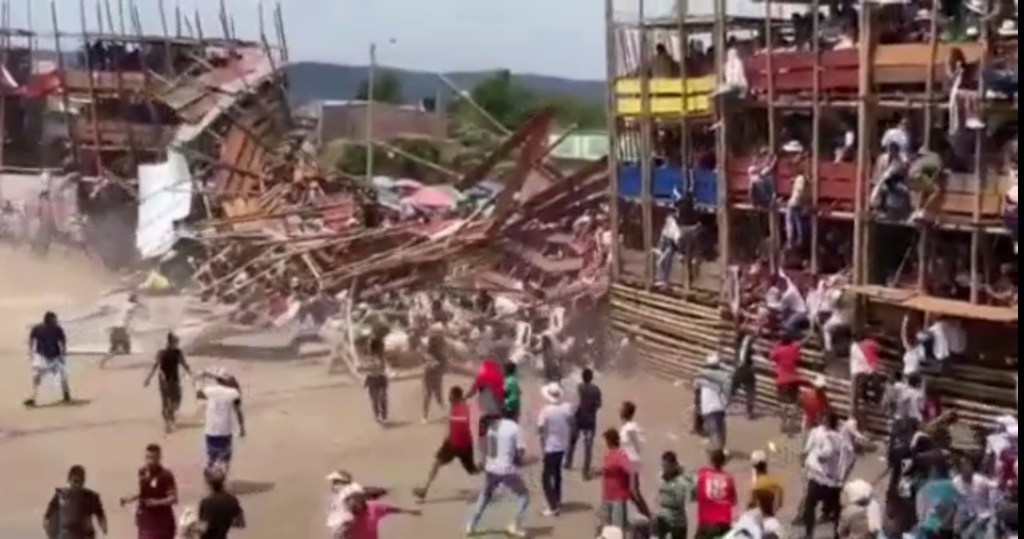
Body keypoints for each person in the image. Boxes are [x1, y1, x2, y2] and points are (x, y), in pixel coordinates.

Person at [465, 409, 529, 537]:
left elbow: (491, 451)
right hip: (507, 470)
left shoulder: (493, 427)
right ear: (515, 415)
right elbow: (520, 451)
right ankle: (514, 525)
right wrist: (518, 461)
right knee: (524, 496)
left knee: (485, 496)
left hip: (492, 468)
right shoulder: (515, 428)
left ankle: (471, 524)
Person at [413, 386, 477, 502]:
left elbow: (463, 423)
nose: (449, 397)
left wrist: (451, 419)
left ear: (457, 397)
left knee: (473, 471)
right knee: (436, 463)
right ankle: (424, 489)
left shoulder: (464, 408)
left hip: (464, 445)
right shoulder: (453, 407)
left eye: (451, 395)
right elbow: (450, 426)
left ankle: (493, 472)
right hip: (451, 443)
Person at [118, 444, 177, 539]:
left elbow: (173, 498)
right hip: (145, 519)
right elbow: (143, 492)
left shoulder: (166, 475)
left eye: (153, 458)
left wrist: (156, 502)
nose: (150, 461)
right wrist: (130, 498)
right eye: (148, 457)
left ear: (159, 458)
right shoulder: (142, 472)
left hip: (162, 521)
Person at [801, 412, 844, 539]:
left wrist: (820, 456)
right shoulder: (837, 437)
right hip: (830, 479)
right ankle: (835, 534)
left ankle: (809, 534)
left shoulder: (831, 436)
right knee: (836, 510)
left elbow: (827, 452)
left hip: (821, 478)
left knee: (810, 505)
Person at [197, 368, 246, 475]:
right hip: (225, 432)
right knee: (225, 457)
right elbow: (239, 411)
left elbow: (198, 394)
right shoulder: (233, 393)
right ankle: (221, 478)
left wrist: (202, 378)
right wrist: (242, 428)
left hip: (210, 432)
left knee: (211, 456)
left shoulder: (210, 390)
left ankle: (209, 471)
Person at [143, 333, 193, 433]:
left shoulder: (170, 352)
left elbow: (183, 364)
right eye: (176, 342)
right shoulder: (169, 353)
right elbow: (156, 366)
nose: (177, 344)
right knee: (172, 400)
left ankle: (169, 418)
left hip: (168, 380)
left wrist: (148, 379)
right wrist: (148, 378)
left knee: (172, 400)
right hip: (168, 380)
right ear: (171, 342)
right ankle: (169, 420)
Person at [537, 383, 573, 516]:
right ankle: (557, 499)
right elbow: (572, 424)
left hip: (550, 446)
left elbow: (540, 430)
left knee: (546, 478)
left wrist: (542, 445)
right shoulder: (565, 409)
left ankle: (553, 506)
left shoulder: (545, 411)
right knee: (557, 474)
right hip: (562, 446)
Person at [44, 465, 108, 539]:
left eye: (80, 481)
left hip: (84, 535)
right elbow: (47, 518)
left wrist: (104, 528)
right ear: (69, 480)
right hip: (69, 535)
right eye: (75, 481)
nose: (77, 484)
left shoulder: (90, 497)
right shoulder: (60, 496)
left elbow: (100, 515)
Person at [25, 311, 71, 407]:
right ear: (49, 319)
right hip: (42, 356)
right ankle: (33, 398)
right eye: (54, 319)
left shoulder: (56, 329)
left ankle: (66, 394)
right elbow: (32, 339)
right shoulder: (39, 328)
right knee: (37, 377)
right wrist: (30, 351)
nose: (56, 321)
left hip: (54, 356)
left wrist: (63, 353)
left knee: (62, 376)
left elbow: (63, 341)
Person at [464, 358, 505, 465]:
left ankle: (483, 460)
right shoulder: (499, 378)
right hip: (498, 413)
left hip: (486, 413)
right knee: (495, 436)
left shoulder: (482, 378)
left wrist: (464, 398)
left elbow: (472, 391)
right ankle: (495, 457)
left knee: (482, 436)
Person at [326, 471, 388, 537]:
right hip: (342, 529)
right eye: (333, 483)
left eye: (335, 482)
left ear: (342, 483)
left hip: (346, 529)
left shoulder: (348, 492)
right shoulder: (342, 494)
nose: (333, 486)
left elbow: (363, 495)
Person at [566, 367, 602, 478]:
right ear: (591, 378)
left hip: (578, 419)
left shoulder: (578, 388)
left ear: (582, 377)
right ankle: (585, 472)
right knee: (588, 447)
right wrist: (592, 409)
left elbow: (573, 403)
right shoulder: (596, 389)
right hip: (590, 421)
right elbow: (599, 404)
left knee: (572, 442)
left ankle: (568, 463)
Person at [595, 428, 632, 532]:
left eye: (607, 440)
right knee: (606, 527)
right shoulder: (608, 455)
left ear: (610, 441)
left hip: (618, 498)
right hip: (607, 496)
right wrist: (601, 471)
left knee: (617, 529)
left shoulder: (621, 455)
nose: (606, 443)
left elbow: (628, 469)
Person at [694, 449, 736, 539]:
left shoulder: (702, 474)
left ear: (711, 460)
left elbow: (694, 493)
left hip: (706, 524)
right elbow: (733, 501)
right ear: (724, 462)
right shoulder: (728, 478)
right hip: (723, 524)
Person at [618, 401, 651, 517]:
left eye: (622, 409)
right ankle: (642, 513)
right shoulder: (627, 427)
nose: (619, 411)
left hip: (631, 461)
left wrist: (633, 455)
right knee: (629, 491)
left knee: (633, 491)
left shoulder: (630, 428)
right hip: (628, 461)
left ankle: (646, 515)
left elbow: (639, 443)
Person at [953, 458, 999, 539]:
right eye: (965, 470)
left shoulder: (980, 480)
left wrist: (993, 506)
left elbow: (995, 487)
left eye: (970, 470)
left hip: (982, 515)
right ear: (960, 471)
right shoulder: (955, 483)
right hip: (964, 518)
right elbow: (954, 501)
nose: (968, 473)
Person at [343, 491, 420, 539]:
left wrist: (409, 511)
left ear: (362, 503)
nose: (352, 509)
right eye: (350, 507)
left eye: (354, 507)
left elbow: (390, 509)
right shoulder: (345, 516)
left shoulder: (373, 509)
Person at [694, 353, 731, 451]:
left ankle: (717, 453)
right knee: (719, 433)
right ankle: (718, 453)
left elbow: (697, 394)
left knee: (715, 433)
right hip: (717, 408)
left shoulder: (701, 376)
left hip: (708, 409)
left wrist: (698, 410)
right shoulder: (722, 375)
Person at [654, 451, 695, 539]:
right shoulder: (661, 477)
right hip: (662, 519)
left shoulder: (681, 481)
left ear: (673, 465)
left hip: (677, 522)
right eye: (663, 466)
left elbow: (680, 501)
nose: (664, 468)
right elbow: (658, 496)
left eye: (666, 466)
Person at [195, 468, 244, 538]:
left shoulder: (206, 502)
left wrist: (191, 527)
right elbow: (241, 523)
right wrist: (225, 522)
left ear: (209, 484)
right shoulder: (232, 500)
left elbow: (203, 528)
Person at [917, 459, 959, 539]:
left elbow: (921, 513)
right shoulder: (953, 486)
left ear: (933, 472)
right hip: (946, 528)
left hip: (929, 526)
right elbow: (955, 507)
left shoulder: (924, 488)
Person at [769, 333, 801, 435]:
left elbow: (771, 356)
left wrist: (776, 344)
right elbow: (800, 346)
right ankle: (791, 425)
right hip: (793, 380)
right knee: (794, 404)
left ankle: (784, 423)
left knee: (782, 404)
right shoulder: (794, 348)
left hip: (782, 380)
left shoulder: (778, 350)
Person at [100, 293, 143, 368]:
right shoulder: (131, 306)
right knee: (125, 349)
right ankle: (105, 360)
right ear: (134, 300)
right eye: (137, 299)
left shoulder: (124, 305)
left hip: (117, 328)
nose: (138, 300)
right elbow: (136, 307)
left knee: (117, 348)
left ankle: (104, 361)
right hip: (121, 329)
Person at [361, 336, 389, 424]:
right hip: (372, 379)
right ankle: (378, 415)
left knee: (382, 398)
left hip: (380, 379)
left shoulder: (380, 357)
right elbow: (362, 368)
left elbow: (384, 367)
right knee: (375, 399)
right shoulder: (367, 357)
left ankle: (383, 416)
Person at [420, 330, 446, 423]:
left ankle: (443, 412)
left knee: (437, 395)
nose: (436, 343)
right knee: (428, 395)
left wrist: (439, 366)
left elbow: (443, 365)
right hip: (429, 375)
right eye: (434, 341)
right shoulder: (427, 352)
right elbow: (425, 361)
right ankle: (424, 416)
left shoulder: (440, 353)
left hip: (436, 375)